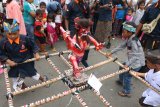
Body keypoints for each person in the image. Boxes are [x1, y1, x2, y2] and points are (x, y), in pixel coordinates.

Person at [0, 19, 48, 91]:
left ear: (18, 31)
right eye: (9, 34)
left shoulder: (24, 38)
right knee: (15, 76)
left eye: (14, 33)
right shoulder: (3, 42)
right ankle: (22, 85)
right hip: (14, 62)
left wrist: (36, 53)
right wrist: (8, 60)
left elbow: (33, 45)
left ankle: (43, 79)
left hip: (26, 60)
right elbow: (1, 53)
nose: (12, 36)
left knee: (33, 73)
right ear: (5, 32)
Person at [106, 21, 145, 97]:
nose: (122, 33)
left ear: (130, 32)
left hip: (136, 63)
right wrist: (111, 52)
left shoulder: (133, 41)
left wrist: (127, 65)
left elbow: (136, 55)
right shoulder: (129, 38)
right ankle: (121, 81)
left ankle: (127, 92)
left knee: (127, 75)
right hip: (132, 60)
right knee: (121, 66)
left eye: (124, 31)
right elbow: (121, 46)